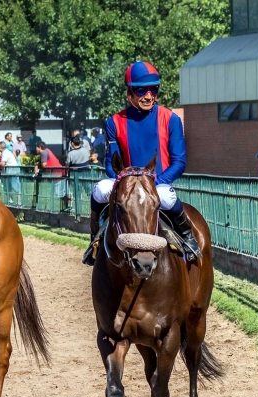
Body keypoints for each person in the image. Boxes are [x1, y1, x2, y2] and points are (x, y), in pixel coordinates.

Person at [84, 61, 199, 265]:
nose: (148, 95)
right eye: (141, 90)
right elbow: (110, 162)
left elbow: (179, 162)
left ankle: (188, 237)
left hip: (158, 183)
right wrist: (122, 180)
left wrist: (153, 183)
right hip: (126, 184)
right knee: (99, 190)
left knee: (166, 197)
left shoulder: (171, 119)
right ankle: (94, 239)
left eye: (153, 89)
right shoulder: (114, 122)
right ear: (129, 93)